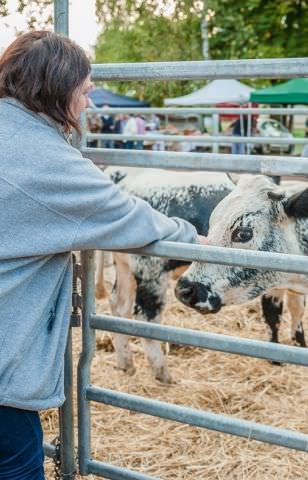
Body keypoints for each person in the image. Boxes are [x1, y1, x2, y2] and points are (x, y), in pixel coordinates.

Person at [0, 31, 206, 480]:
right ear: (57, 87)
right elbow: (130, 218)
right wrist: (195, 238)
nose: (89, 105)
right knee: (17, 465)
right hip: (1, 375)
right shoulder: (45, 160)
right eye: (86, 91)